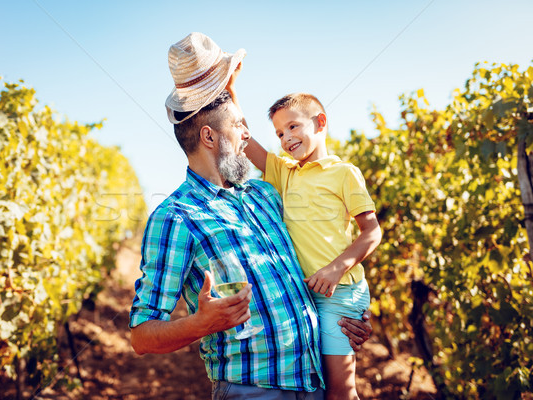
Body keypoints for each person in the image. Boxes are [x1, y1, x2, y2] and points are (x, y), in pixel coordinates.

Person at [129, 32, 373, 400]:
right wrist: (200, 323)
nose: (248, 136)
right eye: (239, 127)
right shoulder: (176, 217)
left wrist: (344, 316)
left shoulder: (264, 195)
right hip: (253, 393)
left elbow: (320, 249)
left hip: (315, 384)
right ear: (209, 137)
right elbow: (141, 335)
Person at [228, 73, 382, 399]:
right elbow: (243, 137)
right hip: (305, 294)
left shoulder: (344, 173)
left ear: (320, 122)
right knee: (320, 386)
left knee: (341, 391)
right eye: (280, 133)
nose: (286, 138)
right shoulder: (284, 172)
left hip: (340, 292)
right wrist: (230, 90)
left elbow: (372, 231)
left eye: (293, 127)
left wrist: (336, 268)